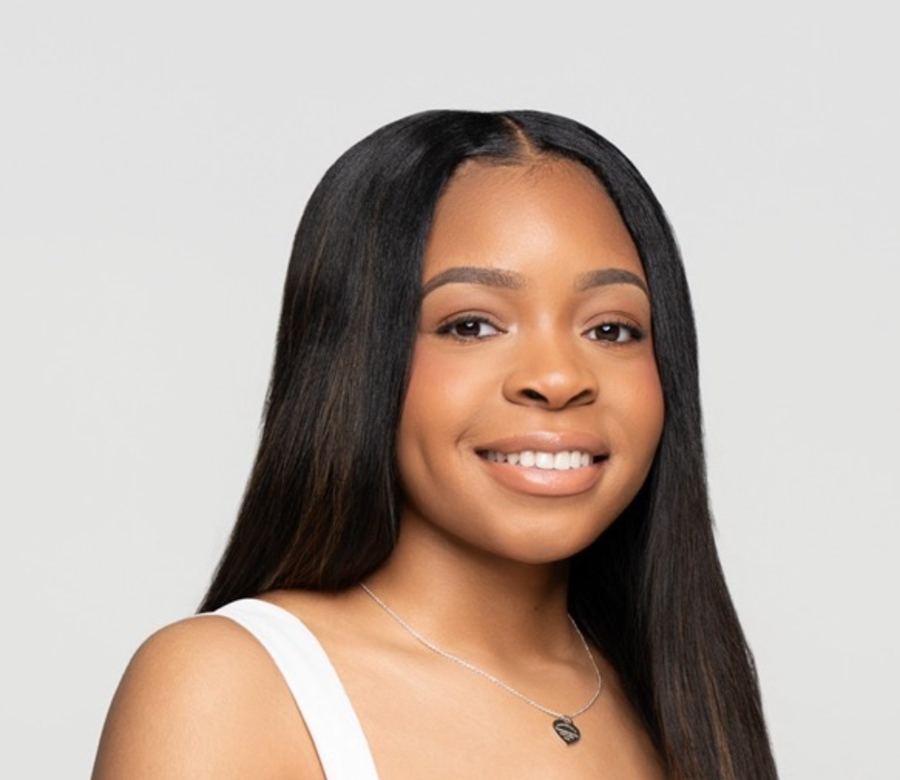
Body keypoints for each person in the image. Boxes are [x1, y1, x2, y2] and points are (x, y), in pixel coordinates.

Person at [92, 110, 778, 779]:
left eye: (610, 329)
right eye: (472, 325)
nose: (558, 378)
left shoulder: (686, 701)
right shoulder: (229, 686)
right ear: (357, 359)